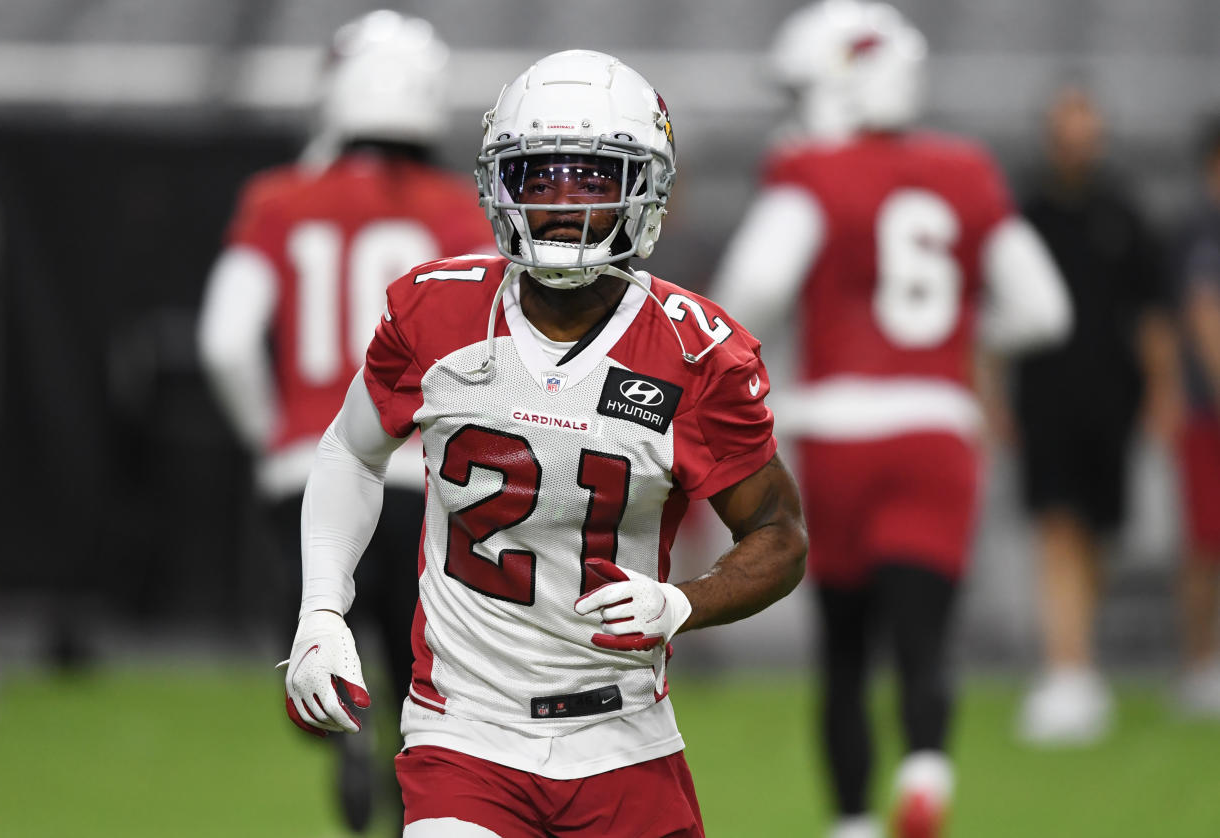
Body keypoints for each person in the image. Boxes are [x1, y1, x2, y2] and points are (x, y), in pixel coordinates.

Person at [277, 49, 809, 838]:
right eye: (538, 175)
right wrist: (322, 610)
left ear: (645, 186)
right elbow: (350, 452)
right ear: (499, 184)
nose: (563, 202)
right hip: (464, 732)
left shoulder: (697, 354)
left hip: (624, 735)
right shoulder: (435, 313)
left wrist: (683, 603)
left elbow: (779, 535)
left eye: (592, 176)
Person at [710, 3, 1071, 836]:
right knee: (925, 633)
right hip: (937, 426)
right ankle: (926, 769)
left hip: (835, 429)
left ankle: (851, 822)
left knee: (841, 648)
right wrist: (952, 337)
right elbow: (1046, 311)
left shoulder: (816, 175)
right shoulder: (966, 170)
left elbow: (751, 289)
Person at [198, 11, 492, 833]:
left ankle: (347, 746)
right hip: (418, 476)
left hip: (302, 472)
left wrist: (275, 441)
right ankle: (413, 798)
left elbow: (224, 341)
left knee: (322, 648)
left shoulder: (279, 198)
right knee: (425, 687)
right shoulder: (450, 208)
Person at [1010, 83, 1176, 745]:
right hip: (1044, 396)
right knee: (1056, 527)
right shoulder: (1027, 215)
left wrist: (1162, 392)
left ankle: (1081, 663)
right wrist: (990, 394)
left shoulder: (1124, 213)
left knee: (1098, 532)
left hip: (1111, 400)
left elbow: (1151, 314)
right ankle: (1066, 667)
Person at [1172, 115, 1220, 717]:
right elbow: (1203, 315)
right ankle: (1200, 662)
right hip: (1209, 412)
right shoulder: (1201, 232)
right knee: (1207, 542)